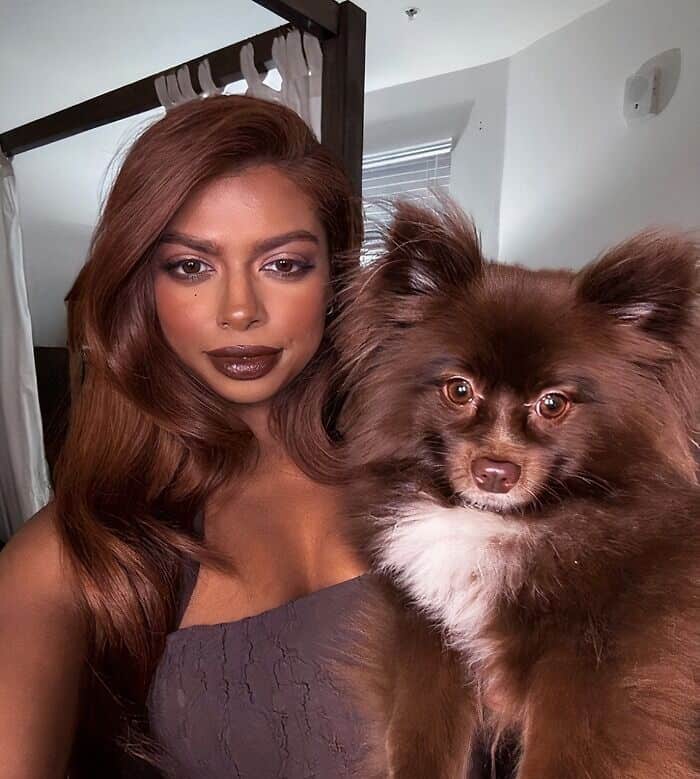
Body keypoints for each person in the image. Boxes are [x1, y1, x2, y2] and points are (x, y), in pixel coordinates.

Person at [0, 94, 371, 778]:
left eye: (283, 264)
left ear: (334, 275)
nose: (239, 310)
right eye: (191, 266)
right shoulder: (70, 558)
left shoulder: (434, 474)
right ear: (142, 287)